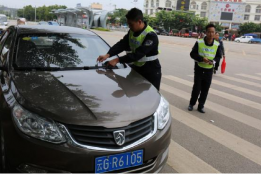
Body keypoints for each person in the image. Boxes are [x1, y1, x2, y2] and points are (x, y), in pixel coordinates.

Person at [97, 8, 161, 90]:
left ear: (139, 22)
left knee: (150, 96)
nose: (129, 27)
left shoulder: (151, 35)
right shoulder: (132, 31)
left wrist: (117, 60)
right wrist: (108, 55)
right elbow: (122, 44)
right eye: (128, 24)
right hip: (137, 68)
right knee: (130, 91)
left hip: (151, 70)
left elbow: (138, 55)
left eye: (131, 24)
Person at [188, 24, 222, 113]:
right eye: (209, 32)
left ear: (215, 33)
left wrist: (213, 61)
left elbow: (219, 56)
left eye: (212, 32)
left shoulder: (217, 44)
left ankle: (201, 105)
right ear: (206, 32)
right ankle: (191, 104)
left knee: (205, 89)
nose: (211, 34)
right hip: (199, 68)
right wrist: (201, 59)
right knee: (196, 88)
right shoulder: (199, 42)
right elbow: (192, 54)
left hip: (209, 69)